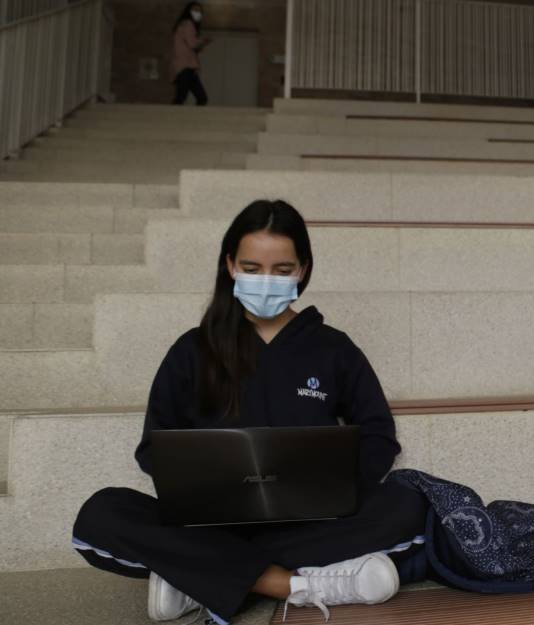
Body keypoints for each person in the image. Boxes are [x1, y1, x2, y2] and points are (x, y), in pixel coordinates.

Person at [72, 201, 427, 624]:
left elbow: (378, 435)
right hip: (212, 526)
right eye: (252, 267)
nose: (266, 281)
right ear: (230, 265)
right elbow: (154, 445)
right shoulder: (192, 350)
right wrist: (199, 485)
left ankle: (196, 576)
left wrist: (337, 487)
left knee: (407, 505)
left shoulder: (334, 349)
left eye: (281, 270)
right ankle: (290, 585)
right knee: (103, 512)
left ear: (303, 270)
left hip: (311, 522)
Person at [172, 2, 211, 106]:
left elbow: (192, 47)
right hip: (185, 67)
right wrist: (203, 41)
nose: (197, 13)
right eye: (195, 10)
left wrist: (201, 44)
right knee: (182, 98)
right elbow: (192, 44)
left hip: (187, 67)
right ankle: (171, 119)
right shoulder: (188, 23)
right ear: (188, 11)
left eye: (199, 11)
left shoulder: (183, 24)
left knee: (199, 98)